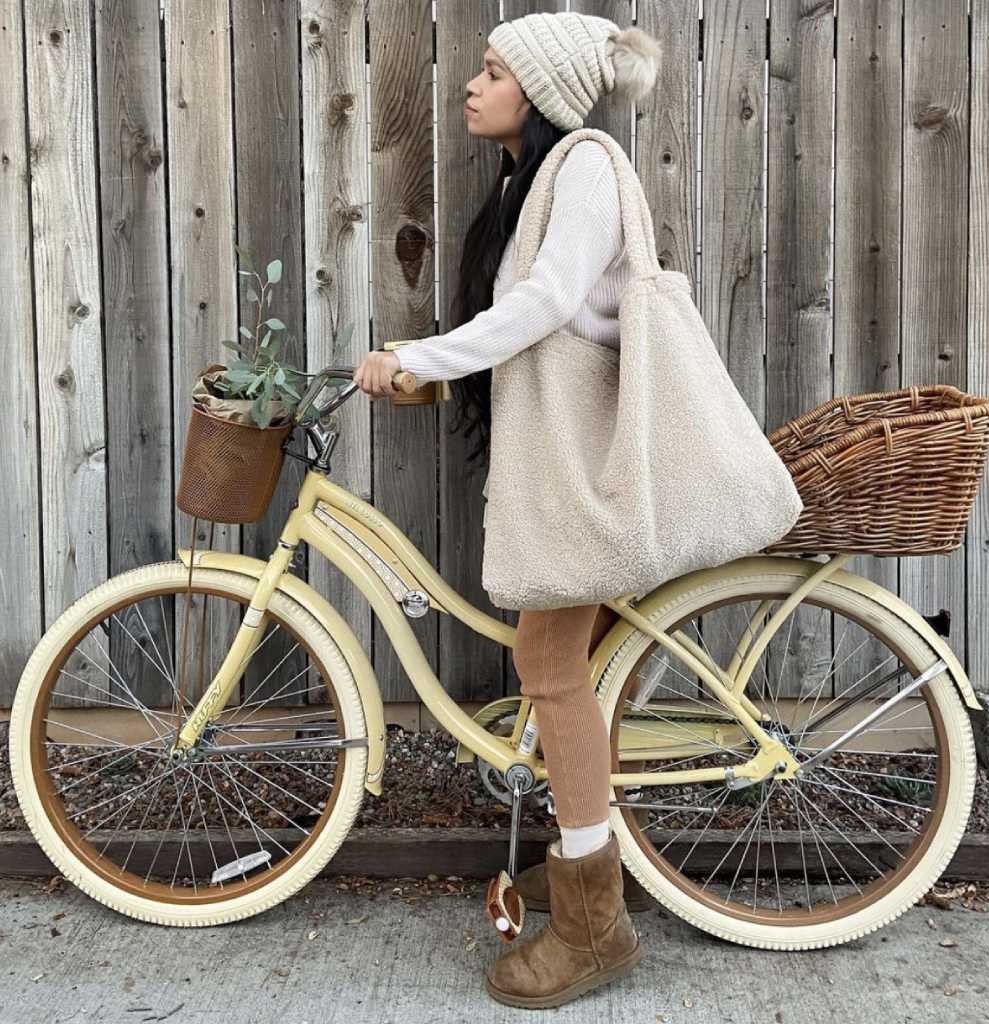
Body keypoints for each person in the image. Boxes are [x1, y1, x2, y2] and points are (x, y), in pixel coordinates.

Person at [354, 10, 663, 1010]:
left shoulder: (584, 167)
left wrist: (419, 354)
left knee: (548, 667)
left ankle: (593, 928)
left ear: (541, 91)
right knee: (571, 670)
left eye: (493, 71)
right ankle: (585, 849)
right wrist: (434, 376)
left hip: (585, 470)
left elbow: (543, 305)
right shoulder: (524, 183)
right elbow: (530, 328)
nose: (473, 84)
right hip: (564, 462)